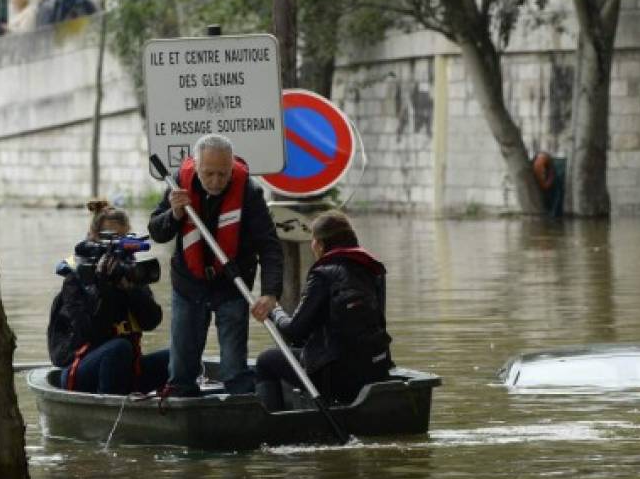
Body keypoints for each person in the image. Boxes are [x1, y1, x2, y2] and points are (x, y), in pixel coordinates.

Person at [149, 134, 283, 396]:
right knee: (181, 370)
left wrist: (270, 293)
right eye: (208, 174)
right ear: (196, 166)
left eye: (223, 174)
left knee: (234, 369)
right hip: (188, 285)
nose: (216, 182)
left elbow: (269, 246)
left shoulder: (249, 192)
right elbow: (157, 231)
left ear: (232, 167)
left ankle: (242, 418)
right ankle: (182, 412)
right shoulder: (178, 183)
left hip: (232, 284)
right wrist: (174, 214)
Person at [254, 210, 393, 410]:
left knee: (266, 360)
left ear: (319, 244)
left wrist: (275, 311)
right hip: (376, 367)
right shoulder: (374, 270)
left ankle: (273, 427)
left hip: (335, 376)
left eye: (313, 241)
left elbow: (294, 331)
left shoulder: (323, 274)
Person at [47, 201, 169, 395]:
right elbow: (90, 333)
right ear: (94, 239)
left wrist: (132, 290)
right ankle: (109, 410)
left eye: (123, 242)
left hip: (126, 367)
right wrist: (105, 287)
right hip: (80, 370)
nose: (117, 252)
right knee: (118, 349)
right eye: (111, 242)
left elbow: (151, 321)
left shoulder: (129, 272)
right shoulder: (76, 279)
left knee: (180, 356)